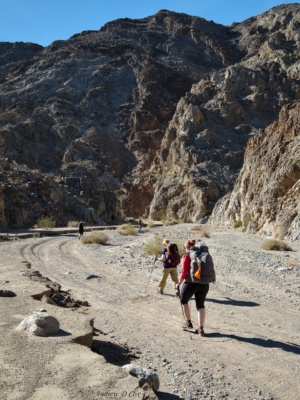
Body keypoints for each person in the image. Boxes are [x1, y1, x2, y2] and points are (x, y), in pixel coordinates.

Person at [177, 239, 209, 336]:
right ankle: (201, 329)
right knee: (200, 305)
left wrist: (178, 283)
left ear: (187, 247)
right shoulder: (203, 255)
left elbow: (183, 272)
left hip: (191, 283)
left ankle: (188, 323)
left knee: (183, 301)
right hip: (204, 283)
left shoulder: (186, 257)